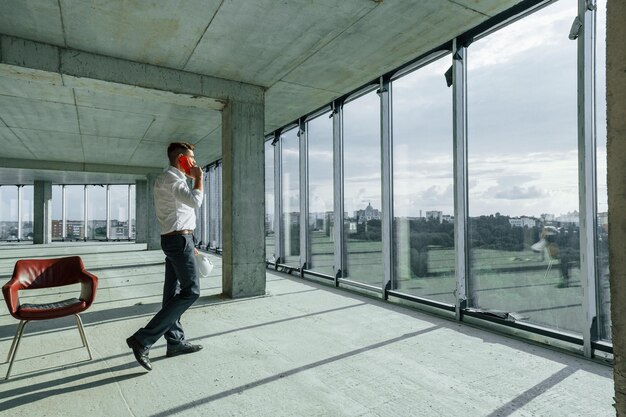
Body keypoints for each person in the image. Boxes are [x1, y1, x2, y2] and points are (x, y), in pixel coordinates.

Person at [126, 142, 204, 371]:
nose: (194, 163)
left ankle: (175, 342)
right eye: (191, 158)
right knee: (191, 291)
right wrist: (198, 177)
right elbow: (195, 202)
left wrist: (191, 243)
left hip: (177, 239)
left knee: (171, 294)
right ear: (181, 158)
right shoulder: (173, 180)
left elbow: (181, 211)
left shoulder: (166, 179)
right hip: (179, 240)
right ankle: (142, 339)